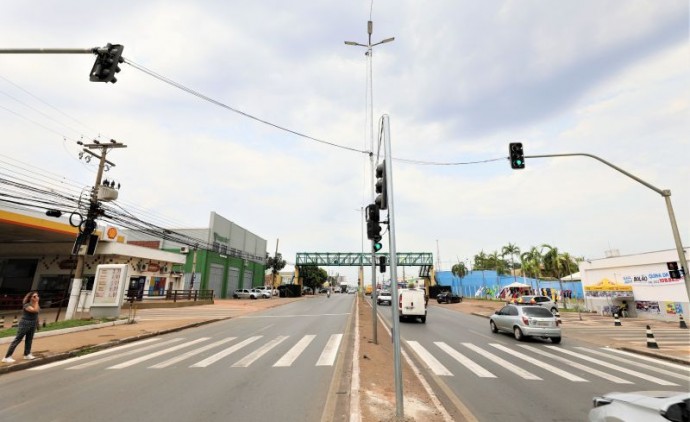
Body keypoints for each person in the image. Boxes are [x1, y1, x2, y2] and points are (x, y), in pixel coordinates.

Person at [2, 291, 40, 363]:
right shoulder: (27, 305)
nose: (36, 297)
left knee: (29, 339)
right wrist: (36, 302)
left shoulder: (35, 304)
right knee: (18, 339)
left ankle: (27, 354)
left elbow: (37, 314)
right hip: (25, 323)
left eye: (37, 296)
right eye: (34, 296)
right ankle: (7, 357)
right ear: (30, 297)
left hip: (33, 323)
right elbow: (34, 311)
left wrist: (37, 324)